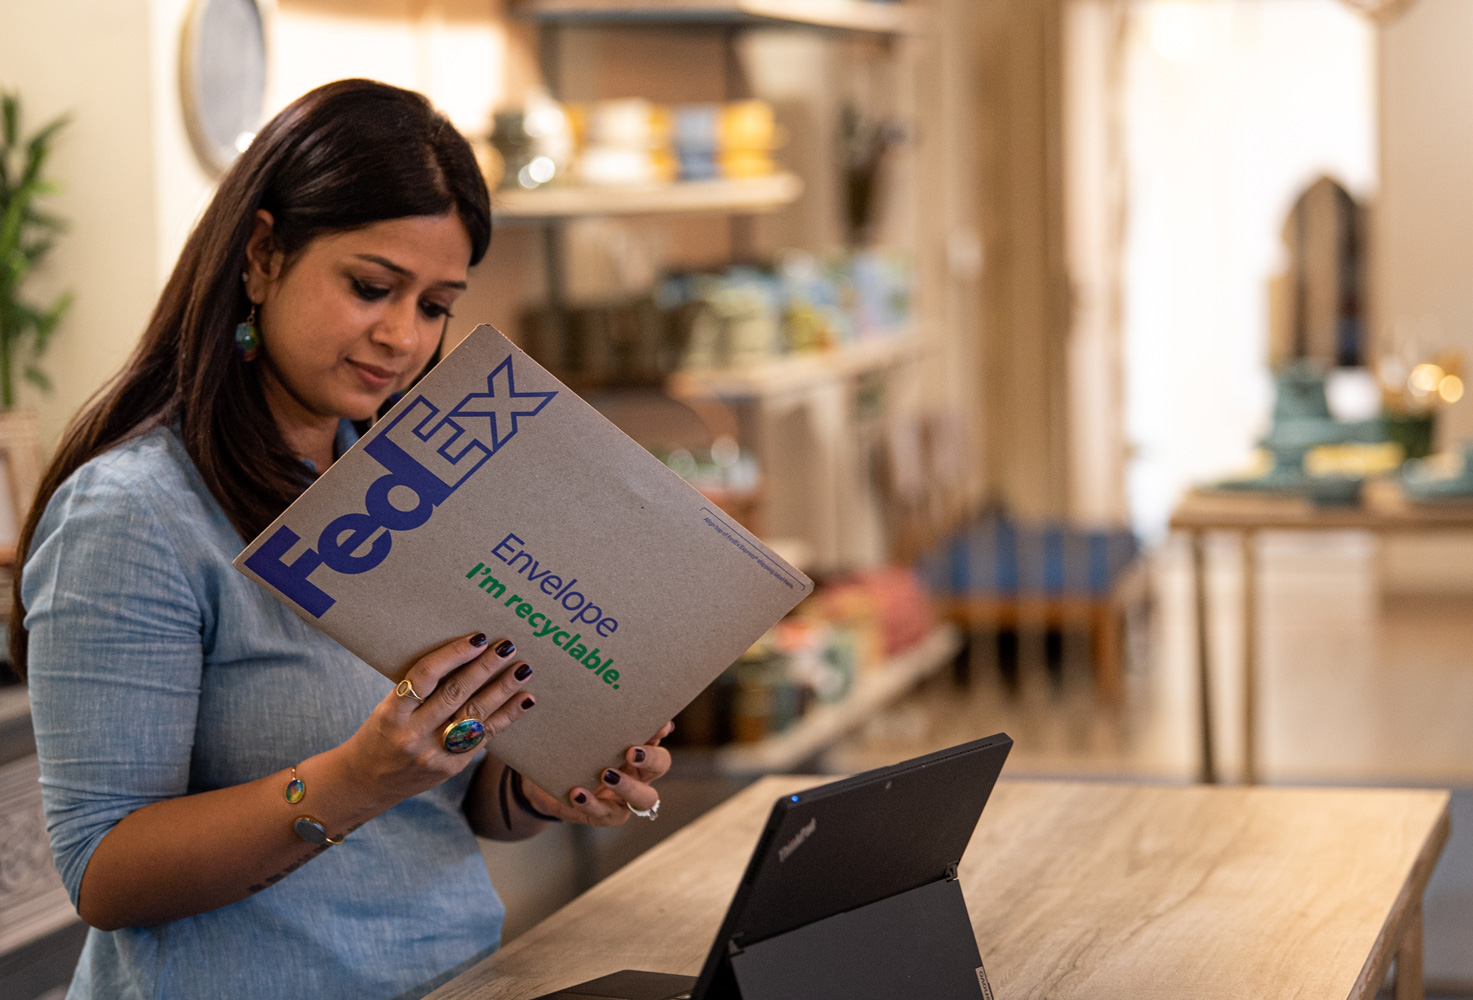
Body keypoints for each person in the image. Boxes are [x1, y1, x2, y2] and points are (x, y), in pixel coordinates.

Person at [11, 79, 671, 1000]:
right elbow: (106, 874)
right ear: (263, 254)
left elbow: (441, 801)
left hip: (457, 978)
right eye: (370, 288)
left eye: (436, 306)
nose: (402, 337)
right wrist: (356, 778)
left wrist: (540, 787)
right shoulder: (133, 514)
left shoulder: (410, 481)